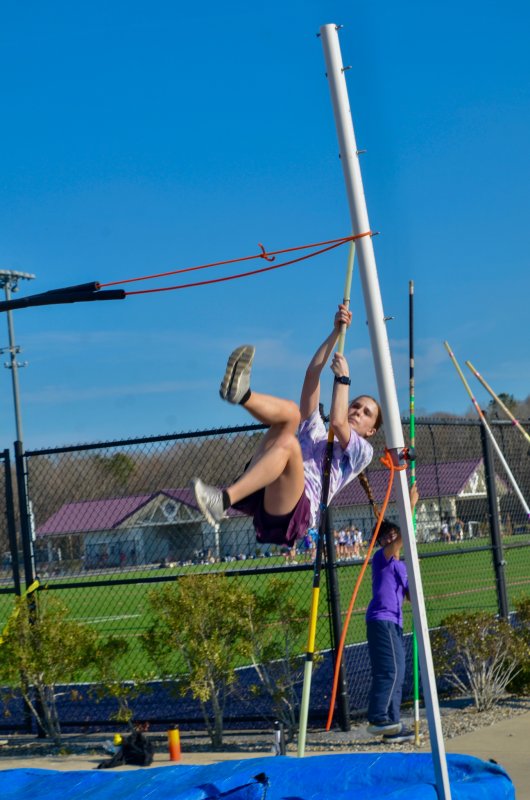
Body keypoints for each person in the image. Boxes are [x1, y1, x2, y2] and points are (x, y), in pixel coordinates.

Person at [191, 305, 382, 547]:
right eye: (355, 406)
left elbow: (337, 421)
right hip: (263, 490)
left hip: (297, 511)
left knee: (289, 443)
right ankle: (243, 395)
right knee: (291, 413)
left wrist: (343, 379)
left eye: (366, 413)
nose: (358, 411)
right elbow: (312, 375)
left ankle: (223, 501)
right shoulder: (316, 432)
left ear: (371, 431)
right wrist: (335, 333)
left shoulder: (361, 452)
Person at [365, 483, 419, 744]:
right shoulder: (381, 558)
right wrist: (410, 505)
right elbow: (402, 539)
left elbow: (410, 596)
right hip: (382, 620)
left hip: (395, 622)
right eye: (385, 537)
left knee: (399, 670)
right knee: (391, 670)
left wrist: (413, 581)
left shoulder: (402, 566)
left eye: (393, 535)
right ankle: (378, 717)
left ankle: (392, 726)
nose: (390, 539)